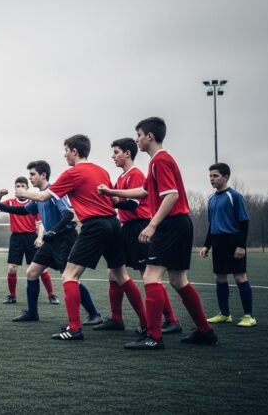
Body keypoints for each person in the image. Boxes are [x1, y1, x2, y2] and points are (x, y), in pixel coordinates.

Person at [98, 117, 217, 350]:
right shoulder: (158, 161)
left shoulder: (160, 160)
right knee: (177, 280)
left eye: (139, 136)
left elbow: (171, 195)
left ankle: (154, 336)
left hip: (171, 223)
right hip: (179, 223)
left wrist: (152, 224)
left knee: (151, 276)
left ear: (149, 136)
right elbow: (143, 192)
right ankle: (205, 331)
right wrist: (111, 191)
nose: (137, 140)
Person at [17, 136, 145, 341]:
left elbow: (42, 197)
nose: (64, 154)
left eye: (66, 150)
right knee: (122, 276)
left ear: (74, 151)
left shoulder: (73, 172)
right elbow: (112, 200)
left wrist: (24, 192)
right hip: (114, 223)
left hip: (94, 226)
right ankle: (145, 323)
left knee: (69, 276)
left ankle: (74, 328)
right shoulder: (101, 170)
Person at [0, 160, 103, 325]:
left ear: (43, 175)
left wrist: (53, 230)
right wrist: (1, 206)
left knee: (70, 278)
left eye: (33, 174)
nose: (30, 178)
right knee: (32, 272)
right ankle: (32, 313)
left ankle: (94, 314)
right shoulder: (38, 197)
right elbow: (23, 210)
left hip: (65, 239)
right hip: (51, 241)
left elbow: (68, 215)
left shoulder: (55, 192)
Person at [92, 138, 182, 334]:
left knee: (148, 275)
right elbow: (115, 199)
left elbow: (132, 204)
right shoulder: (122, 176)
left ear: (127, 153)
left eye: (116, 152)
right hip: (126, 228)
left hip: (139, 227)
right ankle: (117, 318)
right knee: (113, 272)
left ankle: (172, 320)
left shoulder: (136, 174)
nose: (112, 156)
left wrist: (111, 199)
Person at [200, 163, 256, 327]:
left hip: (233, 241)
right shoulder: (210, 198)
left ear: (226, 177)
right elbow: (212, 225)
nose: (212, 179)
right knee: (219, 277)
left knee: (240, 277)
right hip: (218, 242)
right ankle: (225, 314)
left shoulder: (235, 196)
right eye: (210, 176)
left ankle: (249, 316)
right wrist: (206, 245)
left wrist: (241, 246)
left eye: (215, 176)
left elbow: (244, 222)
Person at [0, 177, 59, 305]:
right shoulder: (11, 202)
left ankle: (51, 295)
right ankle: (12, 296)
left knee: (41, 269)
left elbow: (40, 223)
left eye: (23, 185)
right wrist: (0, 195)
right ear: (15, 188)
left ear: (27, 188)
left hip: (31, 238)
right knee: (12, 269)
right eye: (18, 186)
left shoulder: (34, 203)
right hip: (16, 238)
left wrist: (39, 238)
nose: (20, 188)